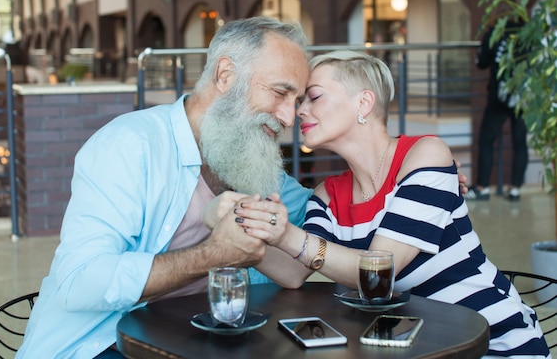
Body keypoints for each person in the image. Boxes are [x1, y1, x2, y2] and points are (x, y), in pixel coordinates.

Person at [213, 50, 549, 357]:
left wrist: (285, 234)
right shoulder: (327, 195)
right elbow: (293, 271)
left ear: (363, 103)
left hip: (494, 343)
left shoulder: (426, 155)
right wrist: (236, 224)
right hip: (420, 348)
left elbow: (379, 269)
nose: (300, 110)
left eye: (313, 97)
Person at [16, 17, 314, 358]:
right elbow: (79, 282)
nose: (290, 118)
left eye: (298, 100)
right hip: (103, 345)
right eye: (279, 93)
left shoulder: (258, 166)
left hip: (200, 344)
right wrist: (213, 255)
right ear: (225, 76)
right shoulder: (129, 145)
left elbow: (320, 243)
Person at [466, 20, 528, 201]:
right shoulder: (528, 32)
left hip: (499, 97)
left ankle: (482, 187)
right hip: (523, 96)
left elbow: (482, 62)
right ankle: (515, 189)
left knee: (486, 139)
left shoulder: (495, 32)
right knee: (519, 141)